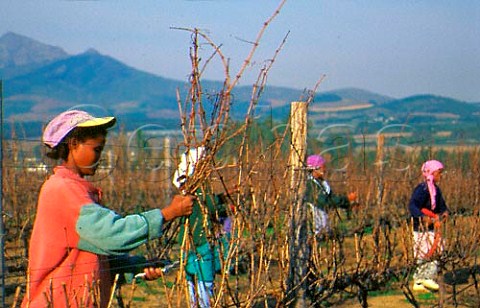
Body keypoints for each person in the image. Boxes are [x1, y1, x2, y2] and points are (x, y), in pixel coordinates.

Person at [22, 110, 194, 308]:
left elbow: (91, 258)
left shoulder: (73, 189)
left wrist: (136, 267)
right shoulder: (63, 190)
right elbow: (112, 235)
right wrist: (167, 214)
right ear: (73, 144)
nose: (100, 156)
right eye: (97, 149)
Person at [173, 147, 232, 308]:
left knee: (191, 278)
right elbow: (211, 206)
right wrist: (224, 202)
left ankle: (194, 304)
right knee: (204, 281)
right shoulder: (199, 191)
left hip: (187, 243)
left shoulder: (185, 191)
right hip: (201, 241)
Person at [408, 160, 449, 292]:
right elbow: (412, 206)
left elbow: (441, 206)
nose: (440, 175)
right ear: (431, 173)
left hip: (432, 227)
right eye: (439, 172)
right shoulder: (422, 189)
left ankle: (422, 279)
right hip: (420, 228)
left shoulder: (436, 190)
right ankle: (423, 279)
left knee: (438, 249)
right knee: (423, 252)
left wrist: (444, 213)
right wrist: (423, 217)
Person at [304, 154, 354, 237]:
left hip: (322, 225)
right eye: (323, 166)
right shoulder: (310, 185)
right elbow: (325, 201)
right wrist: (346, 199)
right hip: (315, 227)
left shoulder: (321, 183)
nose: (325, 169)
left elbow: (331, 198)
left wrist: (346, 203)